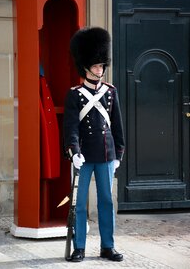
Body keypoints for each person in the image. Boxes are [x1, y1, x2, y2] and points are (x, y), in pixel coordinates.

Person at [63, 27, 125, 262]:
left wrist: (119, 152)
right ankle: (79, 246)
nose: (101, 69)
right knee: (79, 204)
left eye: (102, 65)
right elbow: (70, 127)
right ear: (86, 67)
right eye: (97, 66)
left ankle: (107, 246)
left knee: (106, 202)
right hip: (84, 156)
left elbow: (117, 125)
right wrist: (74, 151)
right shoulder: (75, 94)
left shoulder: (111, 92)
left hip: (107, 154)